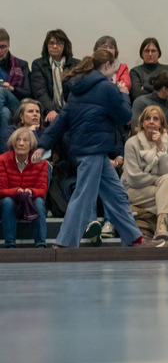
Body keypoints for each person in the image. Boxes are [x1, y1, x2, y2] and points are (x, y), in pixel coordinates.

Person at [33, 50, 148, 248]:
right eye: (114, 65)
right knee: (83, 196)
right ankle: (65, 243)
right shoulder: (108, 88)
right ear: (107, 65)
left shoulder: (78, 89)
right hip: (94, 149)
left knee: (117, 194)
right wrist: (123, 94)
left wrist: (43, 144)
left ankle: (134, 238)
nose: (115, 69)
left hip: (90, 150)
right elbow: (124, 116)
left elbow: (61, 121)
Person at [122, 106, 168, 246]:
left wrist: (160, 147)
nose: (151, 121)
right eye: (147, 118)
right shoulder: (132, 143)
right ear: (142, 123)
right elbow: (133, 178)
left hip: (159, 191)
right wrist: (160, 181)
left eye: (155, 119)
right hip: (134, 190)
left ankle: (161, 228)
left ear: (162, 124)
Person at [0, 128, 48, 247]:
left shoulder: (40, 161)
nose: (21, 143)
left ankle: (41, 245)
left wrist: (31, 191)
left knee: (39, 202)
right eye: (18, 140)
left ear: (31, 144)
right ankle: (10, 245)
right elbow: (1, 190)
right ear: (13, 143)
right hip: (11, 202)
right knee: (7, 201)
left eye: (25, 140)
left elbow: (42, 190)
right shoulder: (2, 160)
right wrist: (16, 191)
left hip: (30, 202)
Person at [30, 30, 79, 123]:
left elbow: (77, 91)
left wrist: (68, 111)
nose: (55, 46)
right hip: (48, 110)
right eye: (51, 43)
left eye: (59, 43)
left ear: (65, 46)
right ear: (46, 46)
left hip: (71, 109)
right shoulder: (38, 64)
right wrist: (51, 110)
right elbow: (39, 91)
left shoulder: (76, 64)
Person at [129, 38, 168, 102]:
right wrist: (161, 91)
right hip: (143, 107)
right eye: (147, 51)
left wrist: (146, 87)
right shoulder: (135, 72)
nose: (150, 54)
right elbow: (137, 95)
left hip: (166, 107)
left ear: (159, 53)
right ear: (141, 53)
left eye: (153, 51)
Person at [0, 30, 27, 132]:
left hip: (16, 104)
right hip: (4, 109)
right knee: (5, 113)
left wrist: (12, 88)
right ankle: (4, 148)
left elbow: (28, 92)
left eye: (3, 47)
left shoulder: (21, 65)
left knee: (1, 90)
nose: (0, 51)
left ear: (9, 46)